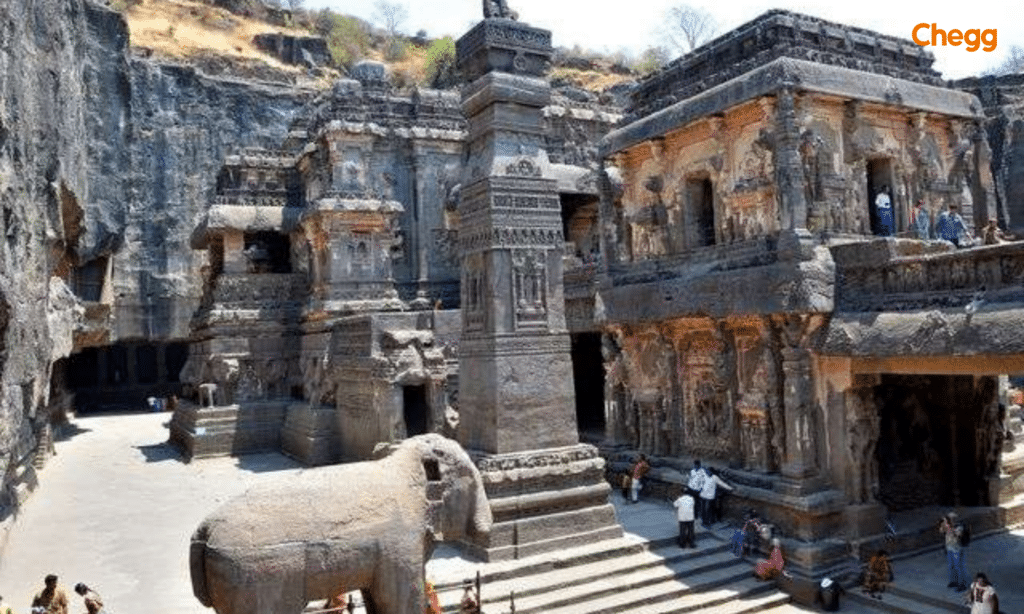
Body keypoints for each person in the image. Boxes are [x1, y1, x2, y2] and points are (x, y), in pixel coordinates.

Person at [940, 511, 969, 591]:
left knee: (958, 567)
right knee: (951, 566)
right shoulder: (947, 526)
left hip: (957, 549)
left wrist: (949, 527)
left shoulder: (959, 527)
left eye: (951, 519)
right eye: (949, 519)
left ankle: (962, 584)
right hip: (949, 548)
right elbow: (941, 531)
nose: (950, 520)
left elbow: (956, 535)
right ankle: (954, 581)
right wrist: (944, 523)